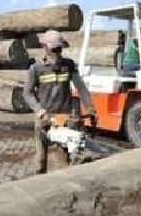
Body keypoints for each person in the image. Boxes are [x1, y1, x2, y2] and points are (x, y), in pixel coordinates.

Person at [23, 30, 97, 174]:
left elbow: (81, 87)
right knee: (40, 160)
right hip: (44, 117)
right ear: (45, 47)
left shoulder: (69, 65)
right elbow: (27, 93)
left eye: (59, 49)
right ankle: (38, 183)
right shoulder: (36, 69)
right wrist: (38, 110)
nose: (58, 52)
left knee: (64, 159)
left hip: (64, 117)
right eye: (55, 49)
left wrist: (90, 107)